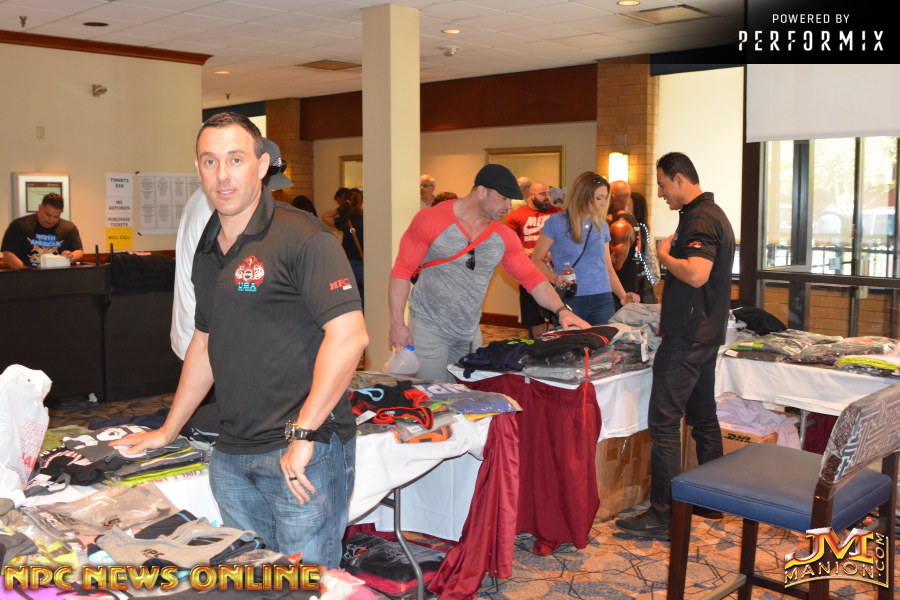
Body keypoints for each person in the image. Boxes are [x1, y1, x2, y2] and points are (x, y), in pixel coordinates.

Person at [116, 113, 367, 567]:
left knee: (306, 584)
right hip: (231, 455)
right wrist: (169, 429)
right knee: (253, 580)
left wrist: (304, 432)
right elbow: (203, 342)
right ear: (198, 168)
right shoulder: (208, 245)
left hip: (301, 452)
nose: (222, 175)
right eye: (210, 161)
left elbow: (350, 337)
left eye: (235, 159)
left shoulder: (305, 236)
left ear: (262, 164)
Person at [615, 152, 735, 539]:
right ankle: (711, 500)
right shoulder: (707, 214)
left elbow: (697, 274)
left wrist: (665, 255)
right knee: (702, 417)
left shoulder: (701, 218)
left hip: (687, 336)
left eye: (663, 184)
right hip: (704, 333)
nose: (661, 193)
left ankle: (663, 515)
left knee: (664, 422)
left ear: (680, 178)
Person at [389, 163, 589, 382]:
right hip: (429, 326)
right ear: (482, 191)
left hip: (468, 332)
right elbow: (402, 270)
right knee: (431, 392)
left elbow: (532, 279)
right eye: (503, 198)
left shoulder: (503, 236)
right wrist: (397, 323)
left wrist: (561, 310)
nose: (508, 206)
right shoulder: (431, 219)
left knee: (464, 394)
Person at [170, 137, 294, 361]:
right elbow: (227, 281)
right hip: (208, 339)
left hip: (197, 333)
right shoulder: (223, 208)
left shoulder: (203, 199)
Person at [531, 172, 639, 325]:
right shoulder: (556, 222)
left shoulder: (602, 226)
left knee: (603, 339)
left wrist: (623, 296)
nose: (604, 203)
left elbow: (607, 268)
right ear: (583, 196)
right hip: (571, 297)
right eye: (599, 198)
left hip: (602, 297)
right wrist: (554, 278)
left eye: (605, 198)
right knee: (573, 339)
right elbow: (536, 259)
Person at [505, 181, 562, 338]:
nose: (547, 197)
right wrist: (523, 250)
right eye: (543, 194)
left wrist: (556, 252)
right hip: (529, 274)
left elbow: (569, 240)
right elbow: (506, 241)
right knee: (534, 319)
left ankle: (554, 345)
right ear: (531, 195)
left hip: (554, 274)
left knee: (556, 316)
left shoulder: (558, 213)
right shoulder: (517, 215)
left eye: (549, 193)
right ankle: (538, 345)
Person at [2, 193, 83, 269]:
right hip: (26, 275)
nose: (51, 220)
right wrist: (26, 272)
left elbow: (79, 251)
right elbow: (8, 254)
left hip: (58, 276)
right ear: (40, 208)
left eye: (56, 216)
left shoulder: (68, 228)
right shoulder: (20, 225)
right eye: (48, 215)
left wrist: (72, 256)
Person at [322, 188, 364, 305]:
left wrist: (341, 209)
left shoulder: (346, 220)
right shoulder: (368, 218)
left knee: (351, 298)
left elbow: (325, 217)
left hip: (349, 264)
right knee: (366, 298)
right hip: (366, 265)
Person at [607, 181, 640, 310]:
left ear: (612, 197)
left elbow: (616, 264)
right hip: (626, 288)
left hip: (618, 294)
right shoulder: (631, 219)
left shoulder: (620, 226)